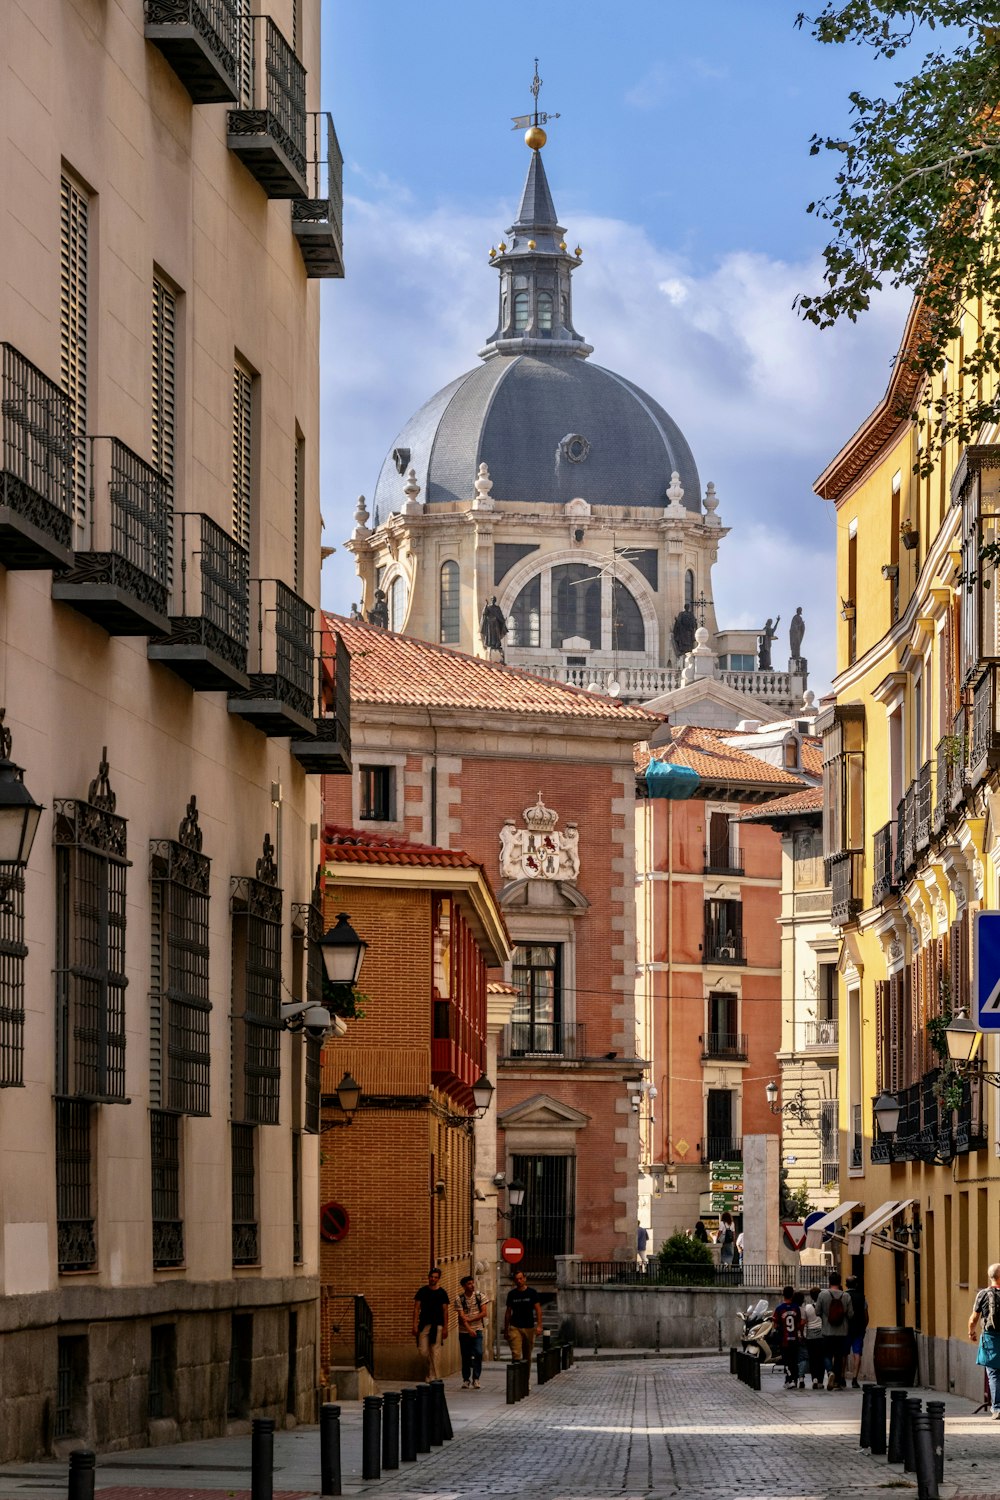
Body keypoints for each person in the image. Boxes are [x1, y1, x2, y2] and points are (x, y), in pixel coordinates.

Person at [969, 1261, 1000, 1418]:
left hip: (990, 1338)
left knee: (994, 1373)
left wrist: (971, 1332)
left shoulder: (982, 1294)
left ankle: (997, 1408)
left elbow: (974, 1318)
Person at [816, 1273, 853, 1390]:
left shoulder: (823, 1295)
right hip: (842, 1332)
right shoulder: (846, 1296)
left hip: (827, 1331)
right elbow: (851, 1314)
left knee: (826, 1354)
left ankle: (830, 1372)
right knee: (839, 1356)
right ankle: (837, 1382)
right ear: (840, 1282)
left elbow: (817, 1312)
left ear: (829, 1281)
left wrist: (826, 1315)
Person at [412, 1267, 450, 1381]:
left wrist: (445, 1327)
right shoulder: (422, 1291)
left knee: (435, 1351)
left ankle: (433, 1376)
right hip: (424, 1324)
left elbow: (445, 1311)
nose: (433, 1279)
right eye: (431, 1277)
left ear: (438, 1279)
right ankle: (430, 1369)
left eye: (435, 1277)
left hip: (437, 1325)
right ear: (428, 1277)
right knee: (423, 1351)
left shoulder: (442, 1293)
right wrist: (414, 1325)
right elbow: (416, 1308)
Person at [454, 1274, 489, 1390]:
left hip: (478, 1330)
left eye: (472, 1283)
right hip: (464, 1332)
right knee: (465, 1356)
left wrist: (471, 1320)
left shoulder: (480, 1296)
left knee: (478, 1353)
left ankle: (476, 1378)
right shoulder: (459, 1299)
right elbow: (462, 1317)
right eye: (469, 1284)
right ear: (463, 1286)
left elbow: (484, 1313)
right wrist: (469, 1329)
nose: (472, 1285)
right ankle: (466, 1379)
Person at [504, 1268, 543, 1363]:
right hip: (515, 1327)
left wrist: (539, 1325)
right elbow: (508, 1312)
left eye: (521, 1278)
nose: (519, 1281)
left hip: (529, 1327)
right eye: (517, 1279)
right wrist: (506, 1329)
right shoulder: (512, 1294)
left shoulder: (532, 1293)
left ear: (525, 1279)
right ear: (514, 1280)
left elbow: (538, 1310)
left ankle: (525, 1377)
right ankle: (516, 1376)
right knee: (516, 1354)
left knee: (527, 1356)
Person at [773, 1285, 803, 1389]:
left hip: (784, 1340)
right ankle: (794, 1379)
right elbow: (799, 1323)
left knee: (786, 1360)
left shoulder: (779, 1309)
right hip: (794, 1338)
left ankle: (790, 1379)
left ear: (783, 1294)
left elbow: (775, 1325)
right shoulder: (796, 1308)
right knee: (794, 1360)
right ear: (792, 1295)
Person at [845, 1275, 868, 1389]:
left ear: (846, 1285)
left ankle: (841, 1377)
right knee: (857, 1353)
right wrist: (864, 1326)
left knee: (844, 1353)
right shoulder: (862, 1297)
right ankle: (854, 1378)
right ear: (856, 1284)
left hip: (846, 1329)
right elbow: (866, 1314)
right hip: (859, 1328)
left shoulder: (844, 1296)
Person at [801, 1287, 826, 1389]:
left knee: (812, 1358)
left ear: (811, 1296)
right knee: (821, 1358)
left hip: (810, 1336)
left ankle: (814, 1378)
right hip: (822, 1334)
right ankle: (820, 1381)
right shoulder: (824, 1307)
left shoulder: (807, 1307)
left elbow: (804, 1321)